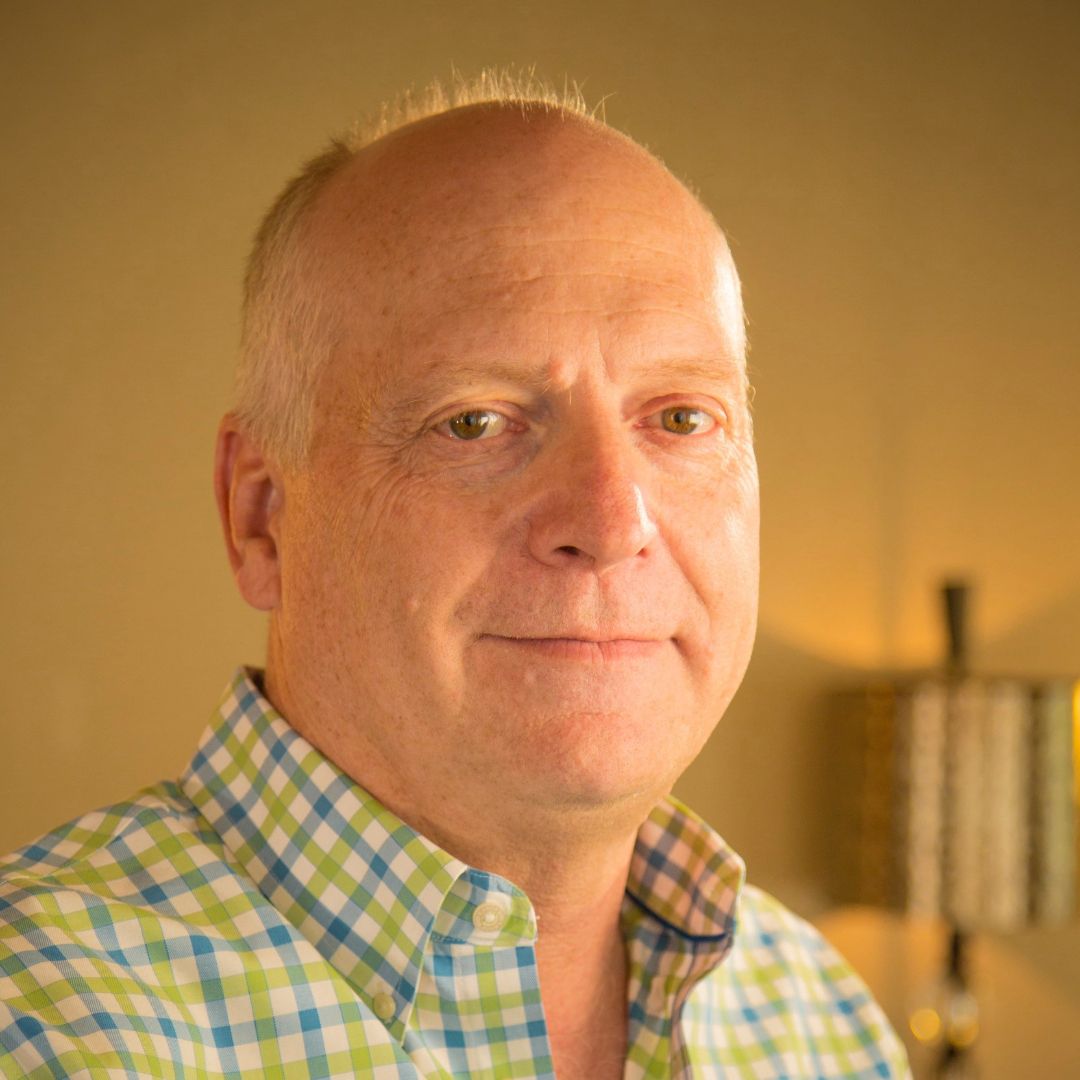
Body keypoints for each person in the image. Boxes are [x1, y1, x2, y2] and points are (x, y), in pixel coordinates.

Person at [0, 74, 909, 1078]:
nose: (612, 523)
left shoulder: (818, 1022)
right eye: (475, 422)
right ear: (261, 515)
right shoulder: (45, 1023)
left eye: (682, 418)